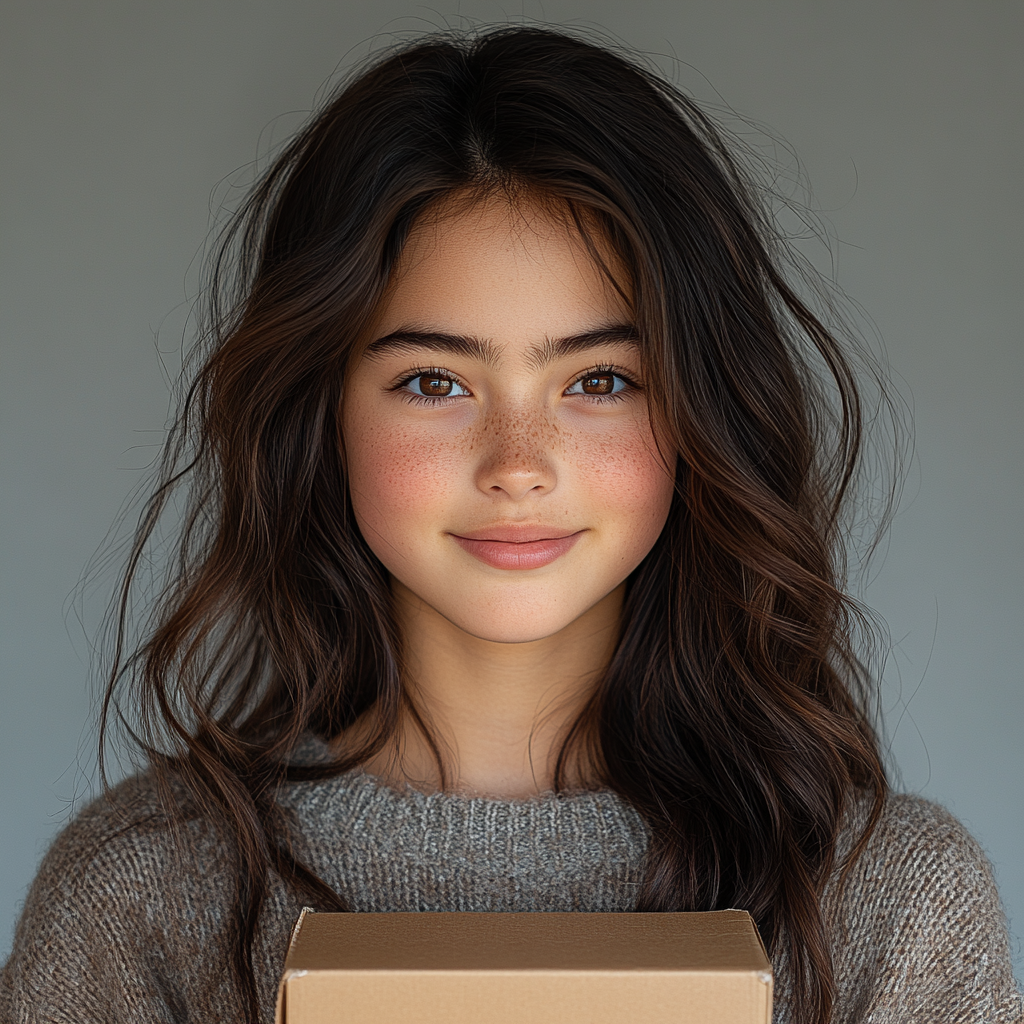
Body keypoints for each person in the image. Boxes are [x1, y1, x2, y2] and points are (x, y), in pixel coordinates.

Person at [1, 25, 1019, 1024]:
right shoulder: (138, 898)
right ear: (321, 412)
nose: (518, 464)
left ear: (698, 410)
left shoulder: (889, 903)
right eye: (435, 380)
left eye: (601, 380)